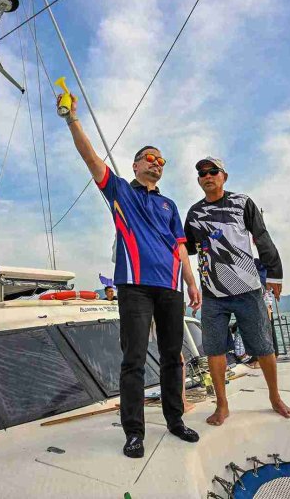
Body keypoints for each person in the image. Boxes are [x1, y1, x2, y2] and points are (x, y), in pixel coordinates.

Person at [59, 94, 202, 458]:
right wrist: (72, 119)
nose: (157, 164)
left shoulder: (170, 205)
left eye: (162, 161)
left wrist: (190, 282)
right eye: (150, 158)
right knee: (134, 359)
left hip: (170, 288)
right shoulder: (120, 191)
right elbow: (91, 158)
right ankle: (134, 432)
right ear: (136, 165)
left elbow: (180, 248)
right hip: (134, 287)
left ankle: (175, 420)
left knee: (172, 357)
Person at [184, 156, 290, 426]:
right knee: (214, 349)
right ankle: (222, 405)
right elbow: (183, 248)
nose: (207, 176)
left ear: (224, 176)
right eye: (202, 173)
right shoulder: (194, 213)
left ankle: (275, 397)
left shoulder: (242, 203)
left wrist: (274, 272)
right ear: (198, 180)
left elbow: (261, 236)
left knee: (263, 346)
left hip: (248, 289)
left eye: (213, 171)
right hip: (213, 293)